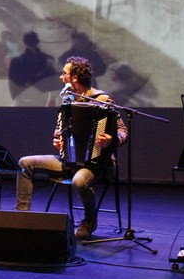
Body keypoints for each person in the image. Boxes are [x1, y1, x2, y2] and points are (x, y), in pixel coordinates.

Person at [15, 56, 128, 239]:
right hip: (69, 161)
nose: (61, 77)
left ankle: (89, 221)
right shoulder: (67, 100)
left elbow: (123, 131)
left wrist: (110, 140)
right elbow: (61, 130)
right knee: (24, 163)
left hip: (98, 163)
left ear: (74, 77)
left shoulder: (102, 99)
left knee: (79, 181)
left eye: (64, 73)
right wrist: (58, 140)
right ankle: (21, 218)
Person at [8, 30, 60, 105]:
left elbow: (13, 83)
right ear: (38, 42)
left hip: (31, 98)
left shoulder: (16, 61)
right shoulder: (48, 59)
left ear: (24, 43)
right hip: (37, 98)